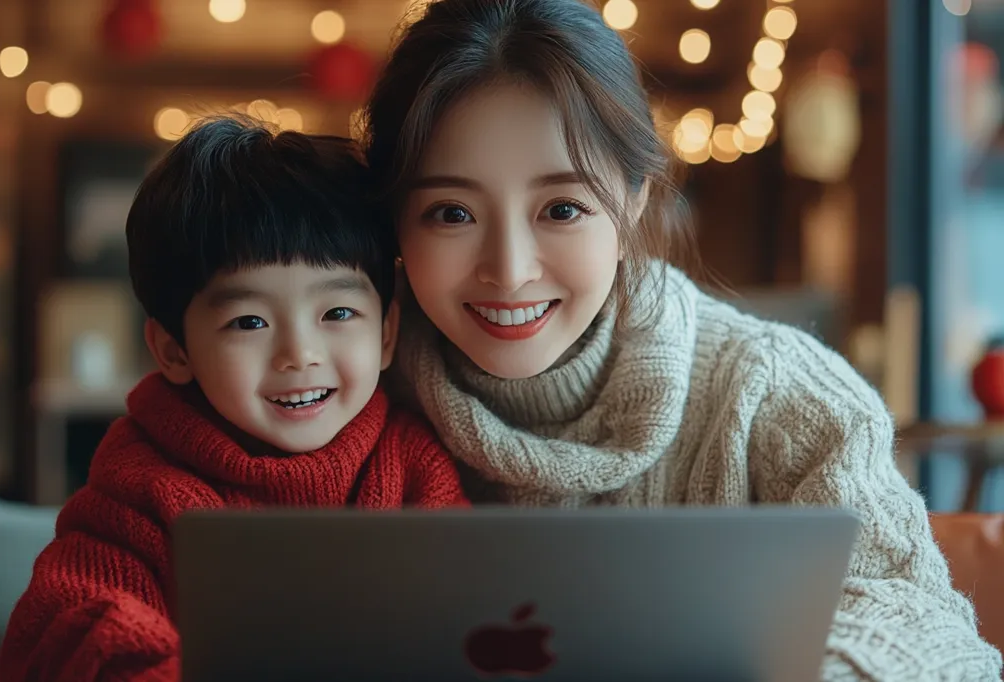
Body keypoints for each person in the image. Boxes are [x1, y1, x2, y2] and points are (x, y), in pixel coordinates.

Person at [362, 0, 1003, 678]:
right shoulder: (338, 397)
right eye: (451, 213)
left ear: (635, 198)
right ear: (395, 223)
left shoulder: (770, 389)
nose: (510, 270)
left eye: (563, 209)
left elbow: (929, 626)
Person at [0, 117, 468, 682]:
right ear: (174, 350)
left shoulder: (414, 464)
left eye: (337, 314)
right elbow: (70, 628)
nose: (299, 354)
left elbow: (464, 618)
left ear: (387, 333)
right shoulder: (139, 488)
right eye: (249, 321)